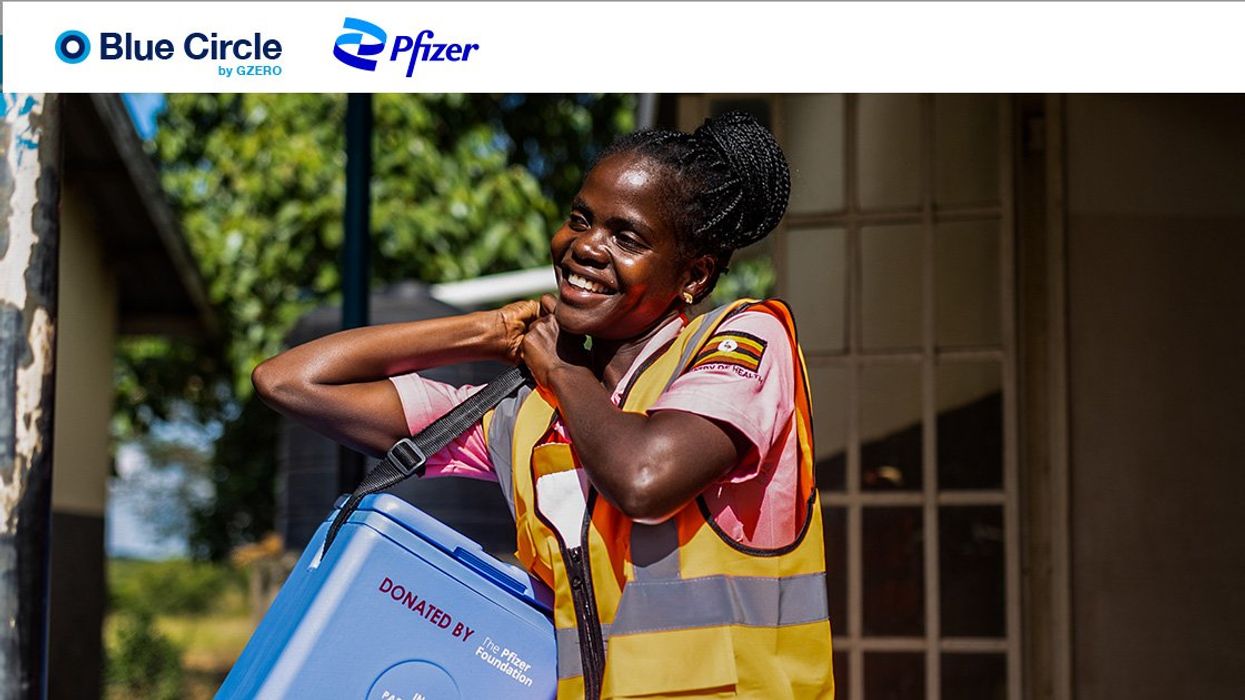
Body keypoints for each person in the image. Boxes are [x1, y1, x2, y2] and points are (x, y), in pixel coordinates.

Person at [253, 111, 834, 699]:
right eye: (580, 219)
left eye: (625, 237)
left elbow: (646, 477)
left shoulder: (745, 338)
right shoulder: (524, 414)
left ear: (695, 275)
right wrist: (485, 331)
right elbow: (289, 381)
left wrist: (556, 365)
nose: (585, 246)